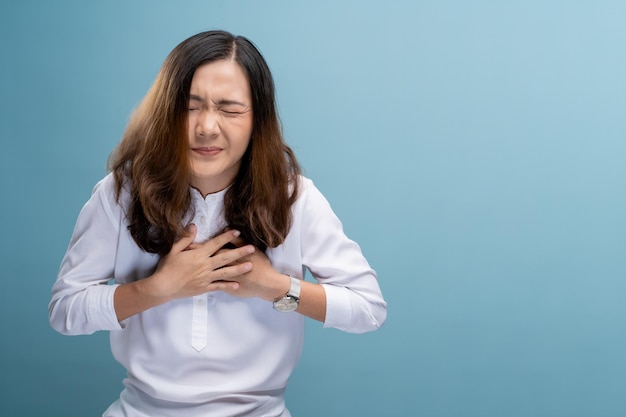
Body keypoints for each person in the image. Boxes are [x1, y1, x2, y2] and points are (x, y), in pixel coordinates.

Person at [49, 30, 387, 417]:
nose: (207, 127)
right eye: (190, 106)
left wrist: (274, 287)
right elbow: (64, 310)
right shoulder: (120, 193)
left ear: (257, 118)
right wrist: (158, 289)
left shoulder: (295, 197)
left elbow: (368, 309)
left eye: (229, 109)